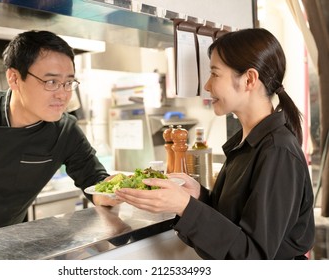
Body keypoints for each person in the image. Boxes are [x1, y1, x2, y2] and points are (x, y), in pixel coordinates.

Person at [116, 28, 315, 259]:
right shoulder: (247, 144)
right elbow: (235, 224)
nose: (207, 86)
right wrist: (198, 196)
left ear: (249, 79)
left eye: (215, 74)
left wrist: (185, 206)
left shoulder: (277, 151)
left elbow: (254, 258)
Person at [0, 30, 116, 242]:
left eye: (68, 82)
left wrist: (115, 191)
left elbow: (95, 181)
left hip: (4, 246)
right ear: (14, 78)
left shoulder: (65, 131)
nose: (63, 94)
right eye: (51, 82)